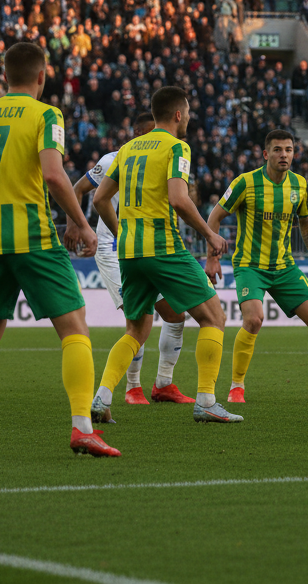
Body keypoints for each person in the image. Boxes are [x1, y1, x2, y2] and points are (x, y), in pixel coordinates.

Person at [0, 42, 118, 458]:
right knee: (75, 327)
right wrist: (81, 223)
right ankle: (82, 428)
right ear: (42, 75)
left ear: (4, 76)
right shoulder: (46, 113)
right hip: (32, 239)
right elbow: (54, 175)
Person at [86, 86, 239, 425]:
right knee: (214, 317)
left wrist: (122, 231)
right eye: (188, 114)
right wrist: (210, 233)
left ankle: (102, 396)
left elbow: (98, 199)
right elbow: (179, 198)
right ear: (179, 114)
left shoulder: (127, 149)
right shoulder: (177, 146)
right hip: (163, 246)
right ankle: (207, 401)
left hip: (129, 251)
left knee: (136, 330)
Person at [206, 130, 308, 403]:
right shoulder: (245, 183)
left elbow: (306, 223)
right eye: (278, 149)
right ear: (265, 154)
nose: (284, 155)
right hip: (250, 266)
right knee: (254, 319)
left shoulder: (300, 185)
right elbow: (215, 216)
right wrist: (212, 258)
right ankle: (237, 386)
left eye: (289, 150)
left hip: (284, 267)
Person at [70, 111, 195, 406]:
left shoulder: (167, 156)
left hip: (149, 247)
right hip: (114, 250)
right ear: (139, 134)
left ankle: (163, 384)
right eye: (153, 132)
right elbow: (79, 189)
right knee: (138, 321)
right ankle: (132, 387)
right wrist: (79, 226)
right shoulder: (113, 160)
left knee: (176, 314)